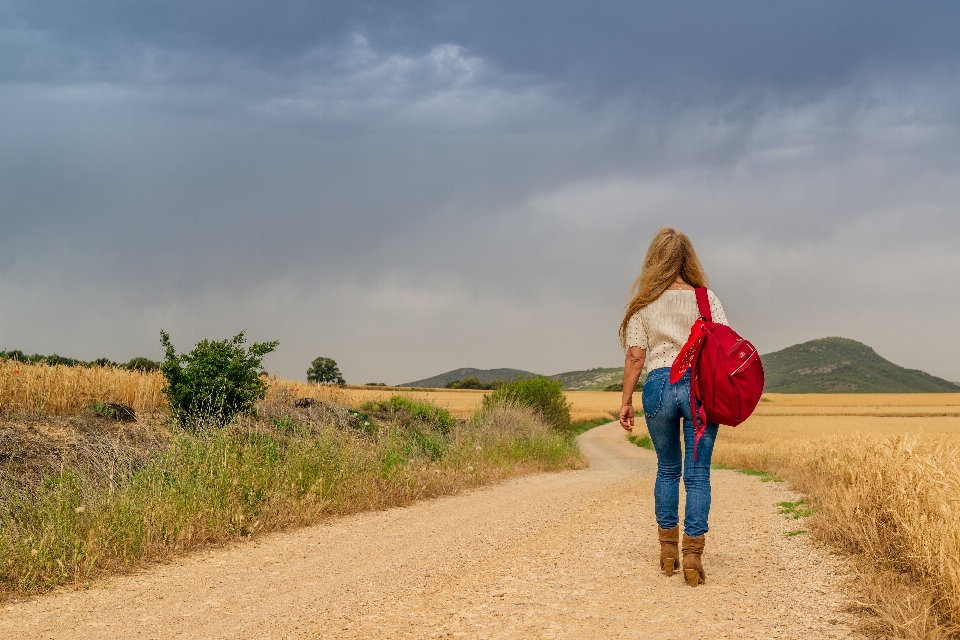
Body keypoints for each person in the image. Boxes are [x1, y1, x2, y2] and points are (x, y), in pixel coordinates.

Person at [618, 226, 728, 587]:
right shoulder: (705, 299)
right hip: (698, 389)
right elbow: (724, 346)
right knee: (697, 474)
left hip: (659, 387)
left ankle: (668, 552)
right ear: (688, 260)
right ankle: (693, 556)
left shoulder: (644, 304)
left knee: (667, 469)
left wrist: (626, 401)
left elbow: (636, 357)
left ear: (653, 262)